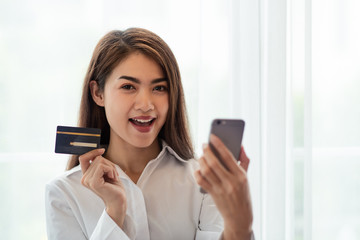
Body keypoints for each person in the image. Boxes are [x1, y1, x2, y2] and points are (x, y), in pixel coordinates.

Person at [45, 28, 254, 240]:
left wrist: (240, 223)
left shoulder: (203, 182)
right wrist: (114, 213)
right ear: (98, 93)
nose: (146, 105)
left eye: (159, 88)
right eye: (128, 87)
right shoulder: (63, 193)